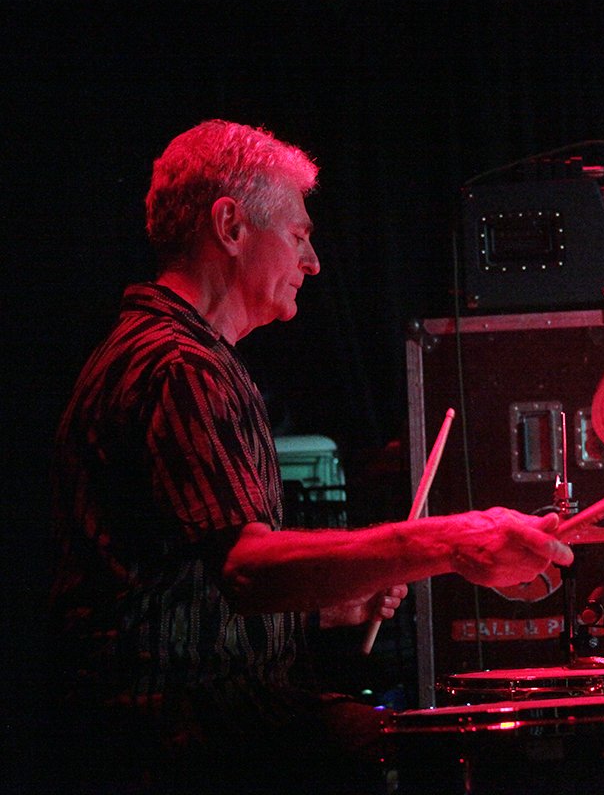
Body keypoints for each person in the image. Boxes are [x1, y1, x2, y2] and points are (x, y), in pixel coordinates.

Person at [47, 119, 574, 794]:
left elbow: (184, 589)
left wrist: (328, 606)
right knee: (448, 764)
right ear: (231, 227)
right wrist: (450, 540)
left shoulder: (173, 352)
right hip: (180, 731)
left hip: (187, 715)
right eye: (298, 236)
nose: (314, 262)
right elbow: (247, 573)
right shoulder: (179, 366)